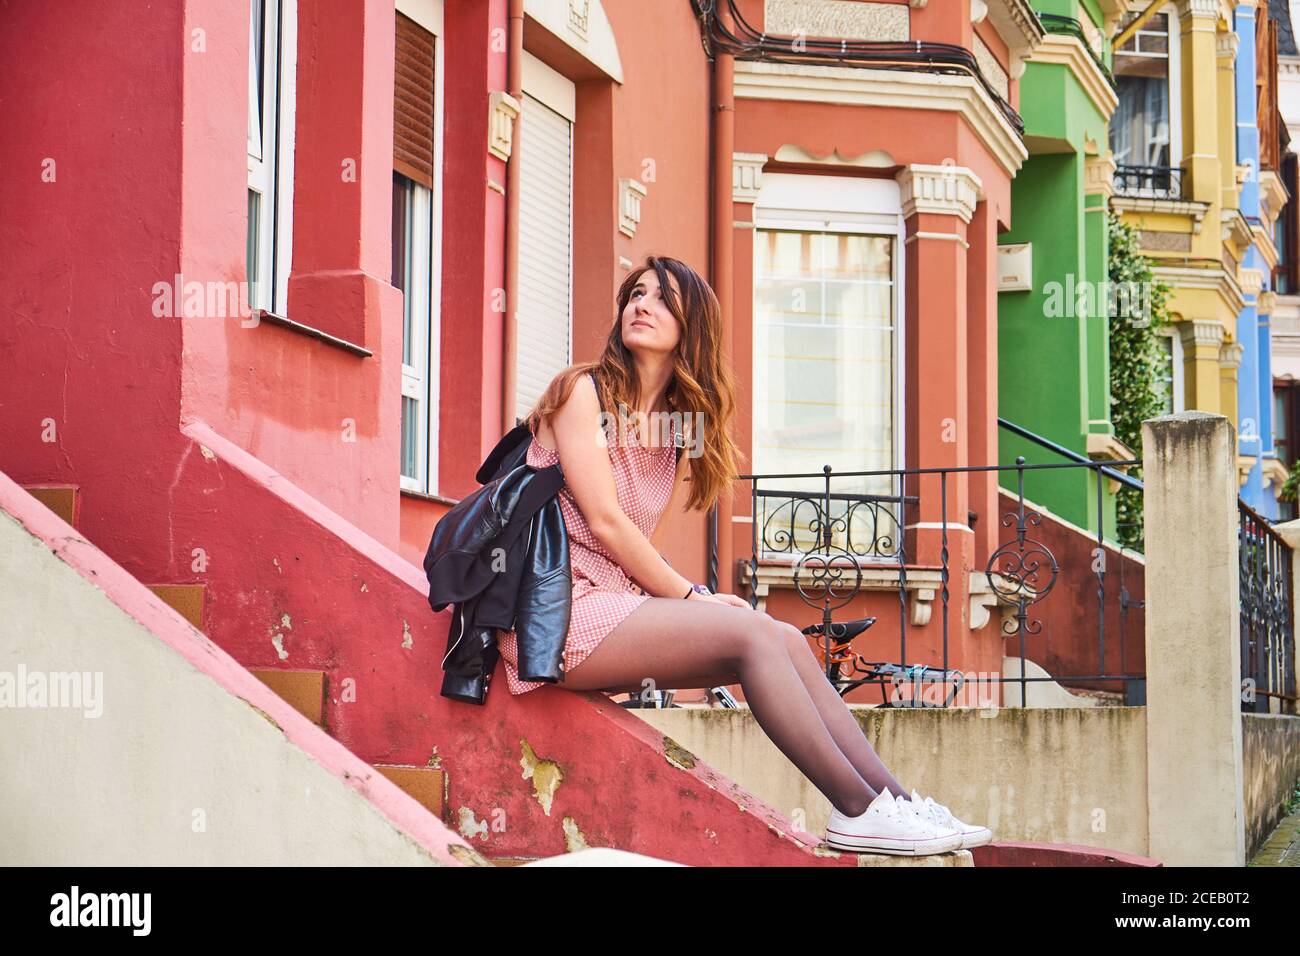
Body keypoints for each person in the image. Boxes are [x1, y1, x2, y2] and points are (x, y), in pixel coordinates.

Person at [497, 254, 991, 856]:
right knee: (752, 635)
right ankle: (857, 807)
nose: (640, 304)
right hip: (555, 616)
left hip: (610, 605)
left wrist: (696, 603)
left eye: (661, 297)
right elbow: (605, 522)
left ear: (692, 325)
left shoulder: (674, 427)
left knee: (777, 635)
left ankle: (893, 803)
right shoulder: (582, 393)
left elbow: (626, 540)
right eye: (635, 293)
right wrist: (692, 597)